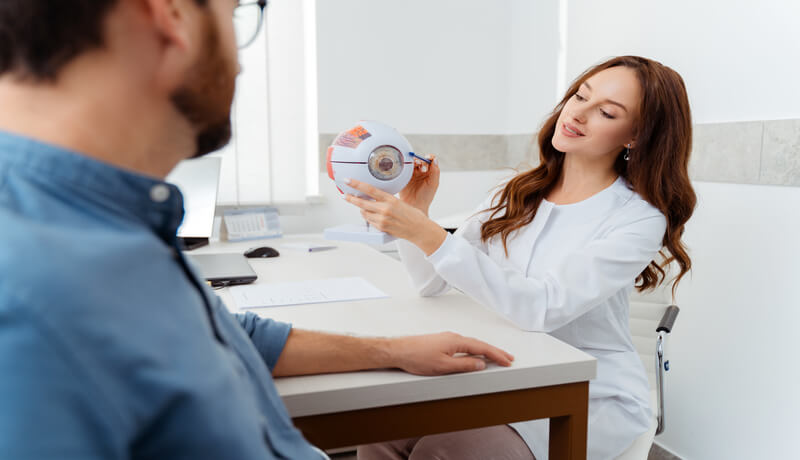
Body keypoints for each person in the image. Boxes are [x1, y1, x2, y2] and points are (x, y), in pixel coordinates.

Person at [0, 1, 515, 459]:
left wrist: (393, 351)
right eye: (238, 12)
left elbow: (219, 335)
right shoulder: (37, 286)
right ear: (173, 16)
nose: (242, 61)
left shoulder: (104, 224)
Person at [345, 55, 696, 459]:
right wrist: (419, 214)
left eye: (605, 112)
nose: (577, 113)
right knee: (379, 426)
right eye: (580, 95)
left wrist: (429, 233)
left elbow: (541, 308)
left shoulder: (637, 219)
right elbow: (431, 284)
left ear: (635, 136)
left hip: (590, 390)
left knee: (448, 448)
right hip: (505, 370)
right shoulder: (519, 190)